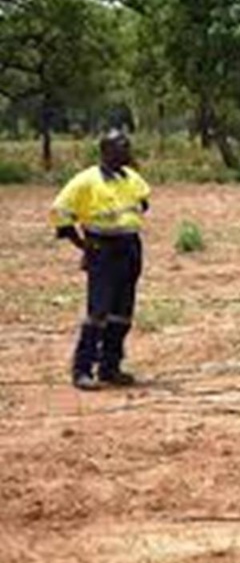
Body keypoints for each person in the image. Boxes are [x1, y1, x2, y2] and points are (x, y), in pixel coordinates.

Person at [50, 130, 150, 391]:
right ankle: (82, 370)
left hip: (130, 249)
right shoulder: (86, 181)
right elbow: (60, 211)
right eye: (122, 147)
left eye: (128, 146)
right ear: (106, 151)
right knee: (98, 312)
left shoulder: (132, 178)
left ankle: (110, 366)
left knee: (122, 313)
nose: (127, 151)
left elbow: (143, 204)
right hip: (103, 251)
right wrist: (81, 244)